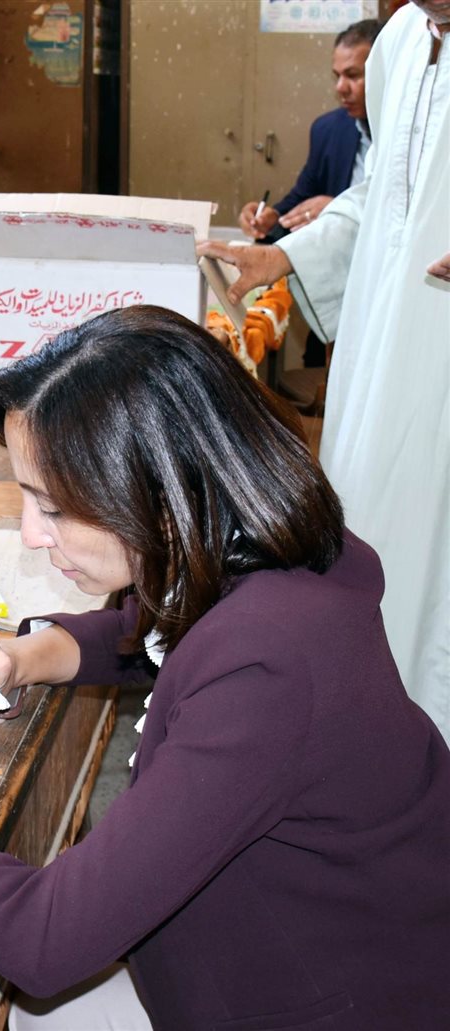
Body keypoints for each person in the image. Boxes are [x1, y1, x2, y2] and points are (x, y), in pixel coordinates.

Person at [0, 306, 450, 1029]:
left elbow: (44, 938)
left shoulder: (270, 668)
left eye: (53, 507)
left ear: (164, 496)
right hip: (255, 951)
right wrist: (22, 657)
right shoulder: (262, 554)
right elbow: (165, 632)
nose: (31, 533)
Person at [199, 0, 450, 743]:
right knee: (371, 537)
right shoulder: (400, 41)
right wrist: (283, 255)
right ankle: (370, 737)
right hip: (381, 362)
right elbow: (382, 196)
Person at [238, 20, 381, 244]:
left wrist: (339, 210)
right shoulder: (328, 130)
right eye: (337, 76)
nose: (340, 88)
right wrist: (270, 218)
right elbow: (302, 198)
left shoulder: (418, 134)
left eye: (353, 75)